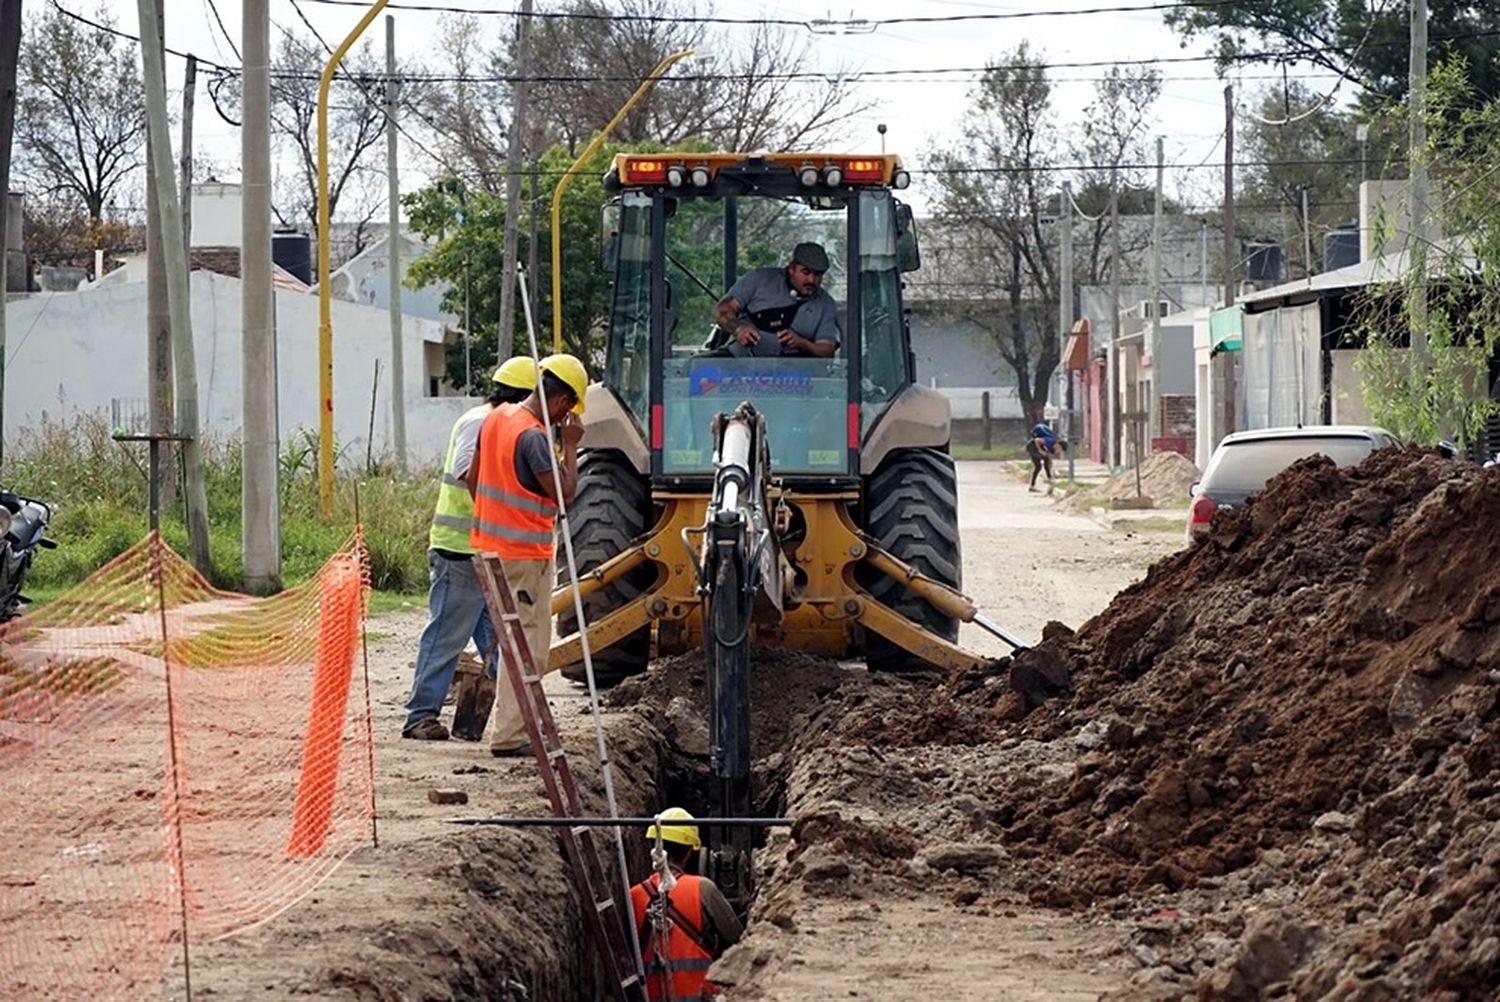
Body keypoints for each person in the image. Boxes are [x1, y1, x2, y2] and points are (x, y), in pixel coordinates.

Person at [401, 357, 538, 741]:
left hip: (486, 548)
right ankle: (420, 715)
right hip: (460, 549)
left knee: (500, 643)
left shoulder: (504, 424)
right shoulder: (480, 422)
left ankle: (512, 718)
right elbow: (467, 471)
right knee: (447, 635)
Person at [468, 352, 589, 757]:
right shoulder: (534, 436)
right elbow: (566, 493)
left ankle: (514, 727)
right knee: (529, 647)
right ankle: (510, 735)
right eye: (567, 413)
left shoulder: (496, 419)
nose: (564, 422)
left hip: (490, 549)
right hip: (524, 554)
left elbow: (473, 479)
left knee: (512, 641)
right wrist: (571, 446)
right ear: (563, 402)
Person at [630, 808, 744, 1001]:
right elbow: (738, 940)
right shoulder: (702, 889)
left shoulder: (634, 896)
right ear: (689, 852)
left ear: (654, 847)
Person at [711, 242, 840, 358]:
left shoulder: (826, 304)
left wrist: (802, 343)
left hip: (792, 376)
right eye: (805, 272)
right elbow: (722, 310)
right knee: (697, 369)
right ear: (791, 269)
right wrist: (738, 329)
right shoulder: (759, 280)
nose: (811, 280)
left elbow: (827, 350)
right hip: (738, 367)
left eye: (817, 275)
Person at [1026, 421, 1066, 494]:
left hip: (1036, 448)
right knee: (1038, 466)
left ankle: (1037, 484)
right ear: (1058, 445)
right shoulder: (1050, 441)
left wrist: (1052, 471)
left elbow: (1049, 461)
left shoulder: (1052, 449)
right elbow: (1036, 440)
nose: (1059, 451)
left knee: (1044, 463)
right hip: (1032, 447)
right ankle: (1034, 485)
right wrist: (1040, 450)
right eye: (1060, 449)